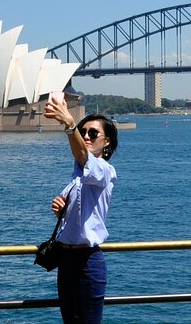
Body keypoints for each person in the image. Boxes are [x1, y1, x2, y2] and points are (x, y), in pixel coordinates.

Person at [44, 94, 118, 324]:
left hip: (87, 263)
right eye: (83, 131)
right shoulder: (76, 176)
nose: (86, 136)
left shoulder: (105, 171)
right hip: (65, 260)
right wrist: (61, 212)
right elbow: (82, 214)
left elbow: (84, 156)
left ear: (106, 142)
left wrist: (69, 124)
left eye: (93, 133)